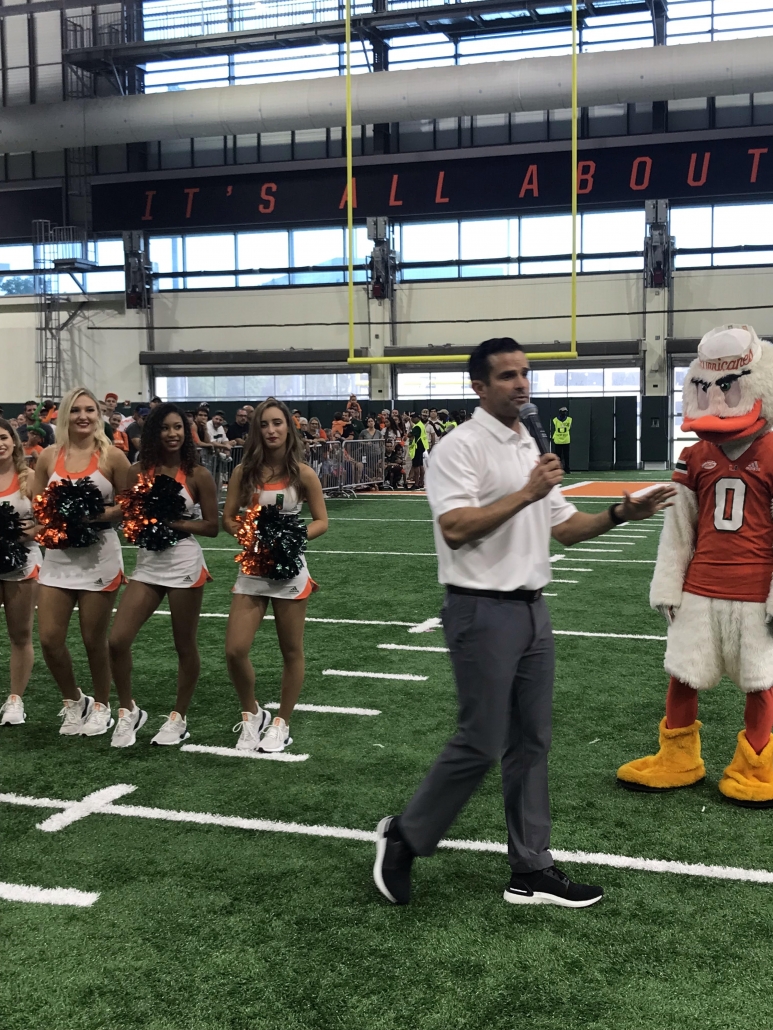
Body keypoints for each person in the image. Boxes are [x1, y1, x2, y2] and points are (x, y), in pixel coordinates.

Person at [373, 337, 674, 908]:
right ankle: (405, 837)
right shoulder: (459, 448)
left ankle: (532, 867)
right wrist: (527, 491)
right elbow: (456, 528)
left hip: (533, 609)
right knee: (481, 741)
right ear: (479, 387)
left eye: (524, 373)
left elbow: (566, 528)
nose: (520, 383)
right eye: (507, 375)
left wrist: (620, 512)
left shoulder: (529, 446)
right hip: (480, 608)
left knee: (531, 742)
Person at [108, 403, 219, 748]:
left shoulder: (197, 474)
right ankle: (128, 711)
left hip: (184, 563)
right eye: (165, 428)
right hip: (148, 563)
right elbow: (130, 518)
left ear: (186, 432)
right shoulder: (136, 472)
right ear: (153, 432)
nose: (172, 434)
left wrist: (173, 522)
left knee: (184, 644)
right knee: (117, 640)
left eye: (178, 427)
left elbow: (212, 527)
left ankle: (178, 717)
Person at [223, 397, 328, 753]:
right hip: (253, 568)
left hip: (289, 569)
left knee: (291, 650)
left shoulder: (303, 473)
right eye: (264, 424)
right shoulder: (244, 472)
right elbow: (228, 518)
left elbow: (322, 521)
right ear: (256, 430)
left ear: (288, 427)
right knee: (235, 650)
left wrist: (291, 540)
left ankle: (281, 722)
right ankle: (252, 714)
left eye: (277, 423)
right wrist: (247, 535)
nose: (271, 430)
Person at [34, 386, 131, 737]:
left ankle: (102, 705)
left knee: (93, 639)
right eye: (75, 410)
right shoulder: (49, 456)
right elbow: (39, 502)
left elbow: (128, 506)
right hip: (59, 557)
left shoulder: (113, 457)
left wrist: (92, 515)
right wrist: (52, 518)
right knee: (49, 639)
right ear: (65, 415)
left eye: (89, 410)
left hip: (98, 555)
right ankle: (75, 700)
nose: (83, 416)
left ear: (99, 415)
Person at [0, 419, 42, 727]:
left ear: (14, 441)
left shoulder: (31, 477)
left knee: (20, 634)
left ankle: (15, 700)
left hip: (23, 562)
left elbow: (47, 520)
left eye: (3, 437)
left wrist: (24, 533)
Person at [408, 412, 428, 490]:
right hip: (422, 446)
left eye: (413, 418)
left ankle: (416, 484)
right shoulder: (421, 425)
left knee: (416, 466)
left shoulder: (417, 427)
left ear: (417, 418)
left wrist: (409, 433)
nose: (412, 419)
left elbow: (410, 434)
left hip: (417, 446)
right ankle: (421, 482)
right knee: (420, 465)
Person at [552, 407, 572, 473]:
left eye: (565, 412)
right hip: (558, 440)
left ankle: (567, 469)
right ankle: (558, 468)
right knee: (558, 456)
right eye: (563, 412)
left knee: (566, 456)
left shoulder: (569, 419)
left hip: (566, 440)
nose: (564, 413)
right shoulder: (555, 420)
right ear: (560, 412)